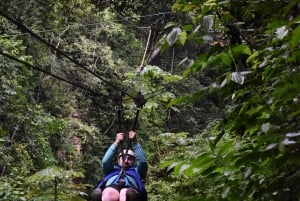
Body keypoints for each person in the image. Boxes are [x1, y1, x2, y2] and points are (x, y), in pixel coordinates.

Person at [91, 130, 148, 201]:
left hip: (131, 189)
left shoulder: (137, 171)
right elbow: (105, 161)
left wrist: (135, 142)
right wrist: (116, 142)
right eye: (123, 157)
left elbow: (142, 162)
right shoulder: (111, 170)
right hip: (112, 186)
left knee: (125, 193)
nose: (126, 160)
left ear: (134, 162)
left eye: (129, 159)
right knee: (108, 193)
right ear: (118, 160)